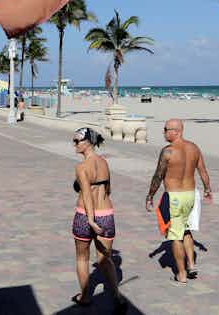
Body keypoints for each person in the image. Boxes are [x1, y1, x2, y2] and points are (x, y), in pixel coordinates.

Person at [146, 119, 212, 285]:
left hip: (175, 196)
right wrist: (207, 189)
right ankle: (191, 264)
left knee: (175, 236)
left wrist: (150, 196)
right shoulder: (194, 148)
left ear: (176, 131)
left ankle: (181, 274)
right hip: (191, 195)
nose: (164, 132)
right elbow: (203, 171)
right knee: (186, 230)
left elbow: (158, 176)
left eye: (166, 129)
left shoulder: (168, 151)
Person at [71, 127, 127, 311]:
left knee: (82, 257)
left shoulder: (81, 167)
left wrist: (91, 220)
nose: (74, 144)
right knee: (105, 260)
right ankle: (117, 297)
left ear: (87, 143)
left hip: (86, 216)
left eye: (77, 141)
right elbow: (108, 189)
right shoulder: (104, 162)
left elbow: (87, 195)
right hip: (107, 214)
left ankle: (85, 296)